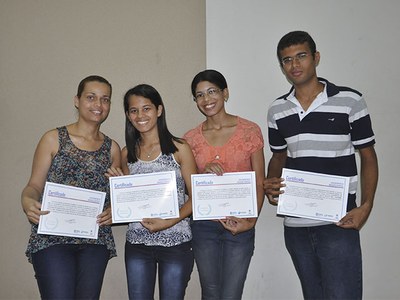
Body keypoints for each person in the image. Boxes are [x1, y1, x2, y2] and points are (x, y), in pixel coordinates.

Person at [264, 31, 378, 300]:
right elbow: (279, 157)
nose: (294, 65)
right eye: (287, 60)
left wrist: (366, 206)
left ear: (315, 57)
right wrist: (271, 184)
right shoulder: (277, 110)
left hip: (339, 223)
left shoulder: (350, 100)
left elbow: (368, 156)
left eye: (301, 56)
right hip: (295, 225)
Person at [21, 75, 122, 299]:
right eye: (91, 97)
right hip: (51, 237)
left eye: (105, 99)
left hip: (95, 239)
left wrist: (116, 211)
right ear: (77, 100)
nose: (98, 105)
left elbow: (121, 198)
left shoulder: (112, 148)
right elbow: (33, 186)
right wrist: (27, 202)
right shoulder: (53, 138)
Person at [107, 84, 197, 300]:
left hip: (176, 241)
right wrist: (118, 188)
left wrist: (169, 221)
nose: (140, 115)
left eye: (146, 108)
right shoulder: (127, 153)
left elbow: (197, 197)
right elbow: (128, 202)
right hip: (138, 243)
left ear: (159, 110)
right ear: (128, 115)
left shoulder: (179, 148)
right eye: (134, 110)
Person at [183, 69, 265, 299]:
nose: (206, 99)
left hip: (241, 223)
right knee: (209, 291)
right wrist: (203, 171)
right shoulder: (190, 139)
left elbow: (259, 180)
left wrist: (251, 221)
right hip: (204, 226)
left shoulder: (250, 131)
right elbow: (188, 184)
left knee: (231, 293)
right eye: (199, 95)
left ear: (225, 93)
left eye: (212, 92)